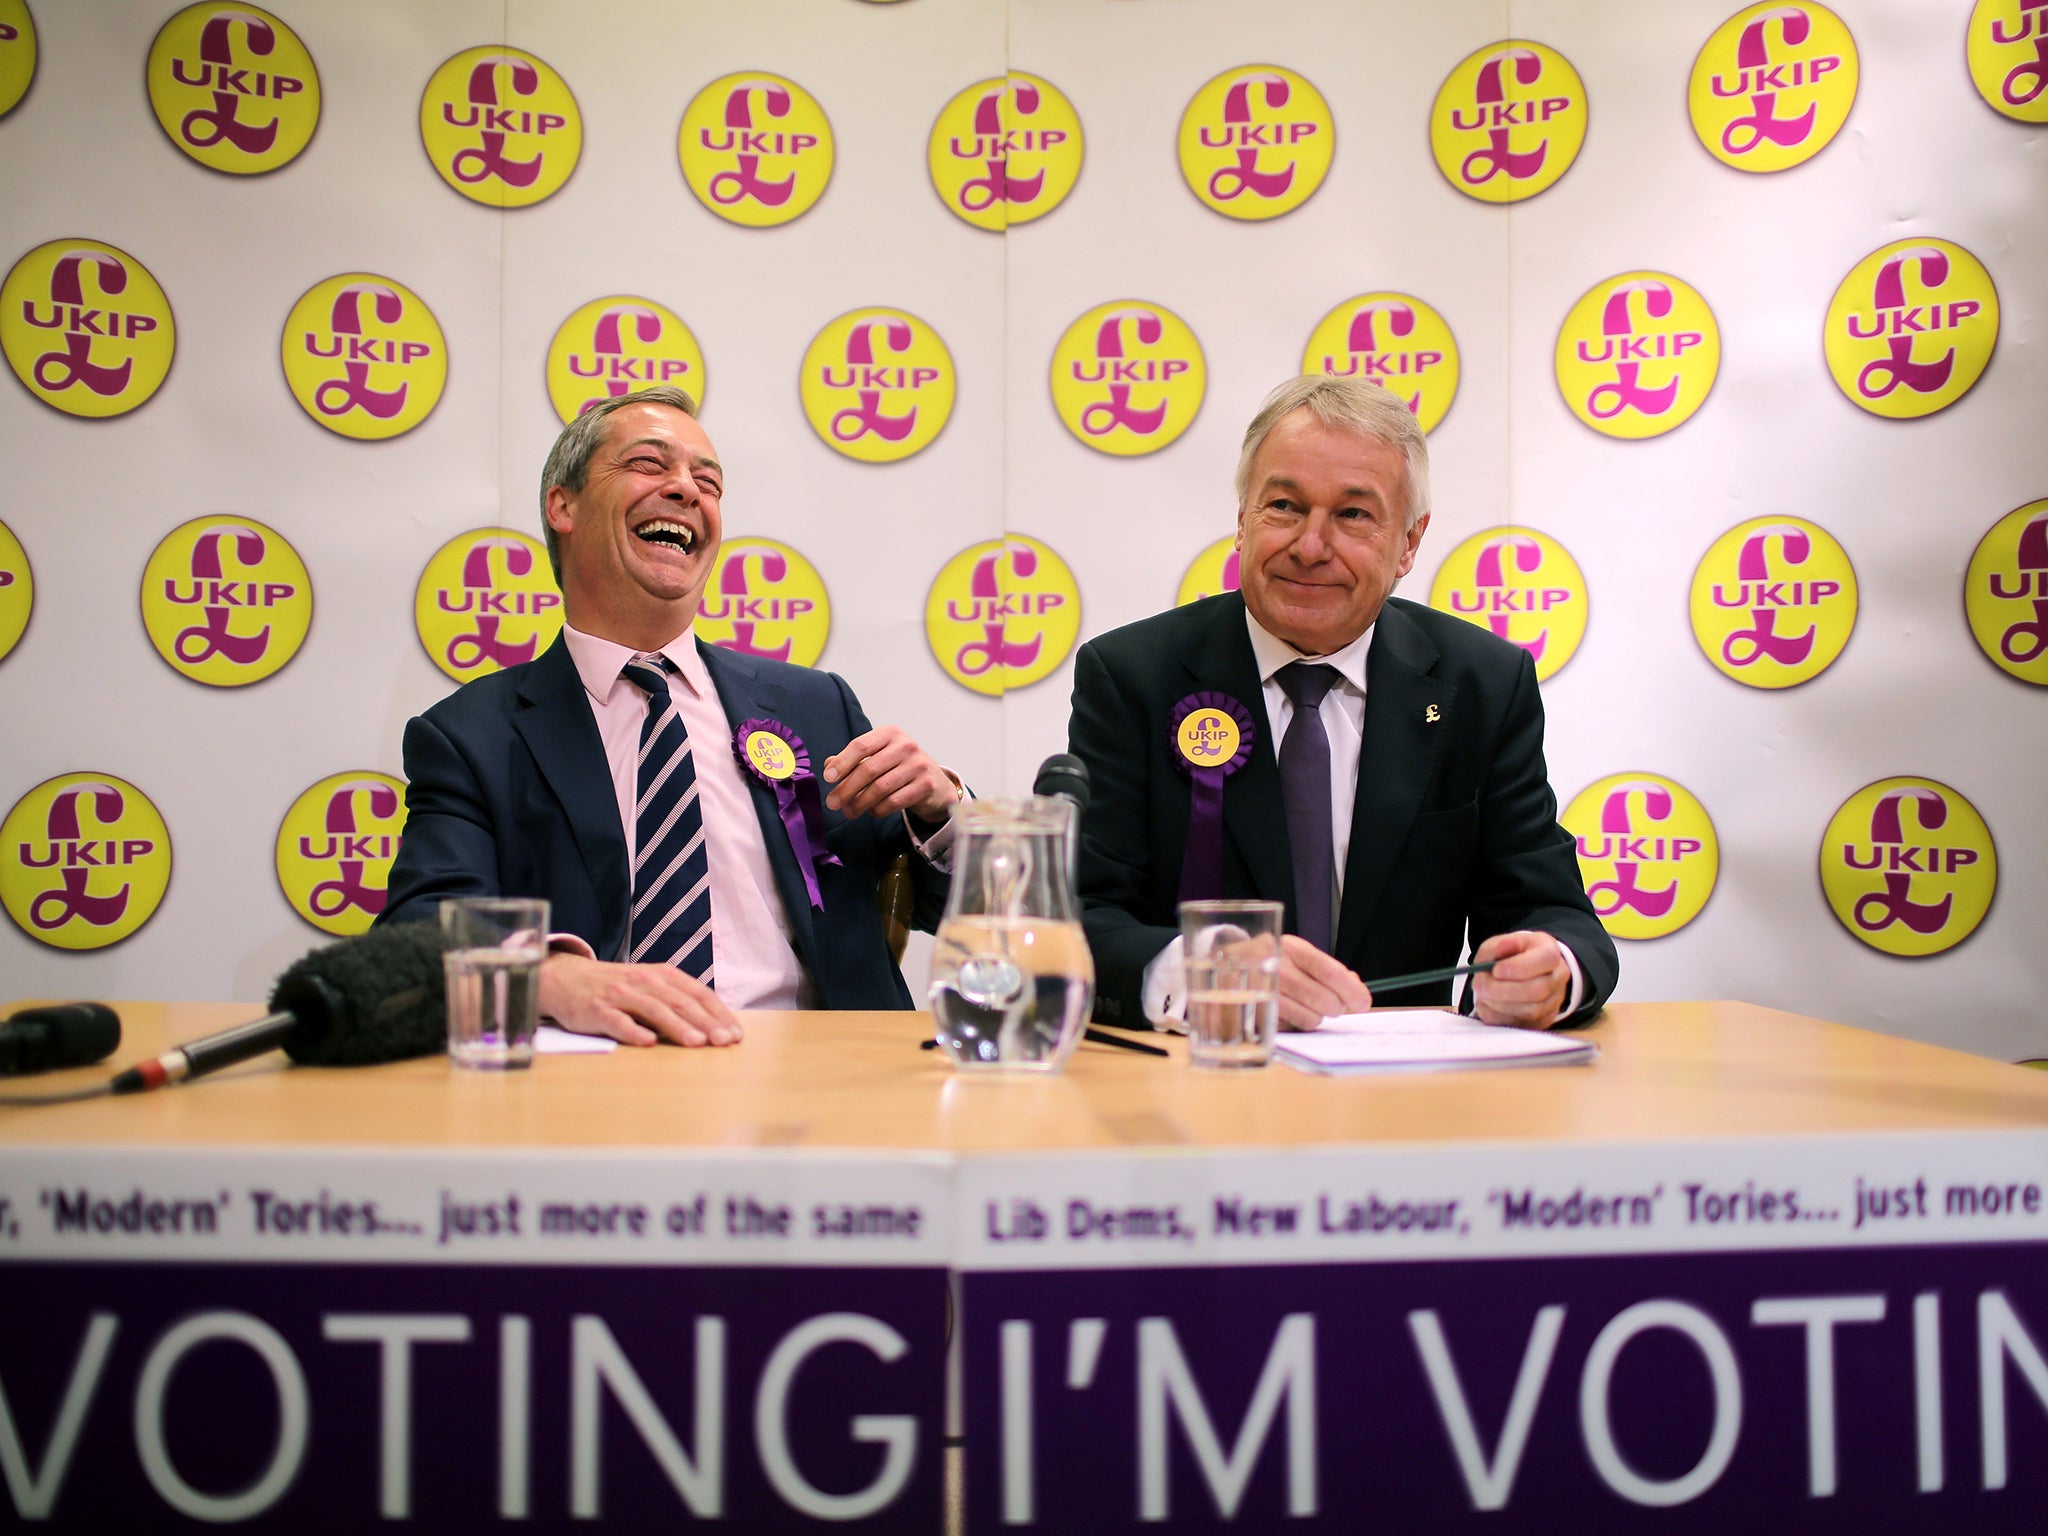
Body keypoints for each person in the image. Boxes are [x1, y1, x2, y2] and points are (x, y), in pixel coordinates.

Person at [381, 386, 963, 1045]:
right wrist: (553, 978)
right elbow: (417, 932)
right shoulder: (472, 737)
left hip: (826, 1085)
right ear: (563, 505)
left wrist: (940, 813)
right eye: (649, 465)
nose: (687, 490)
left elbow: (964, 914)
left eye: (707, 480)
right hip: (600, 1084)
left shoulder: (813, 705)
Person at [1067, 374, 1617, 1033]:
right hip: (1198, 1085)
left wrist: (1551, 969)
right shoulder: (1132, 678)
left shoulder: (1483, 685)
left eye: (1353, 515)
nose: (1309, 546)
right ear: (1243, 521)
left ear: (1410, 542)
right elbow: (1080, 921)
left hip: (1405, 1103)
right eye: (1284, 507)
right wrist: (1202, 974)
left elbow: (1556, 916)